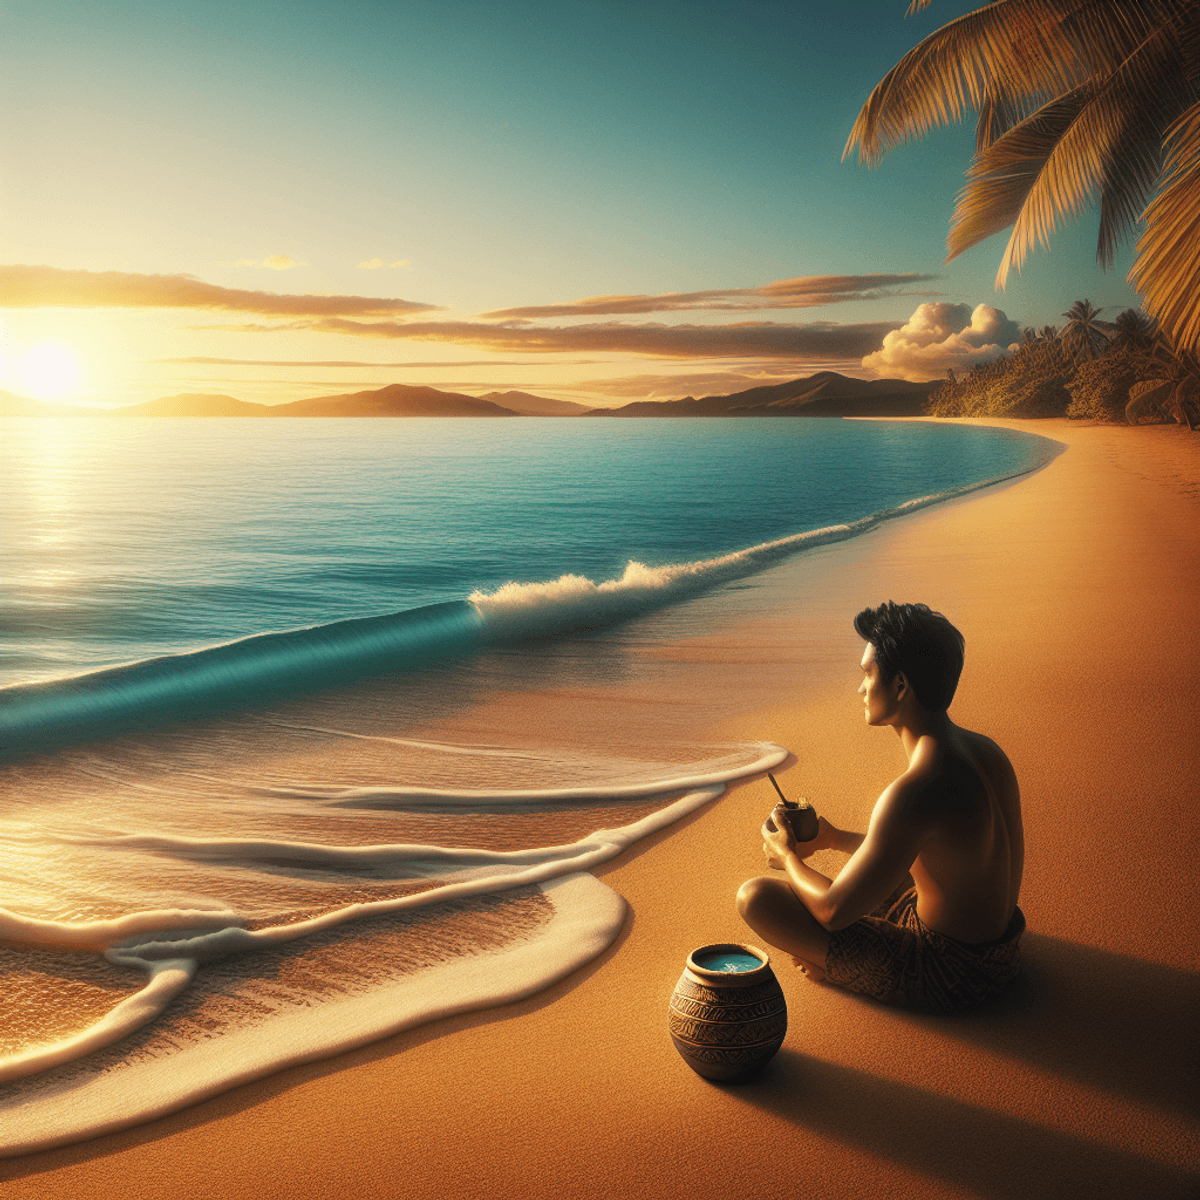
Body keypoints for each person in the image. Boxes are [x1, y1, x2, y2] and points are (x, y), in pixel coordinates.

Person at [736, 601, 1025, 1014]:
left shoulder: (915, 790)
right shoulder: (986, 752)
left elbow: (833, 911)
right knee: (869, 879)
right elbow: (925, 855)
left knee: (755, 898)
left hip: (950, 976)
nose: (860, 688)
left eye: (867, 674)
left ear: (901, 686)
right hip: (1002, 954)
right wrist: (833, 839)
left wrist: (786, 857)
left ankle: (841, 972)